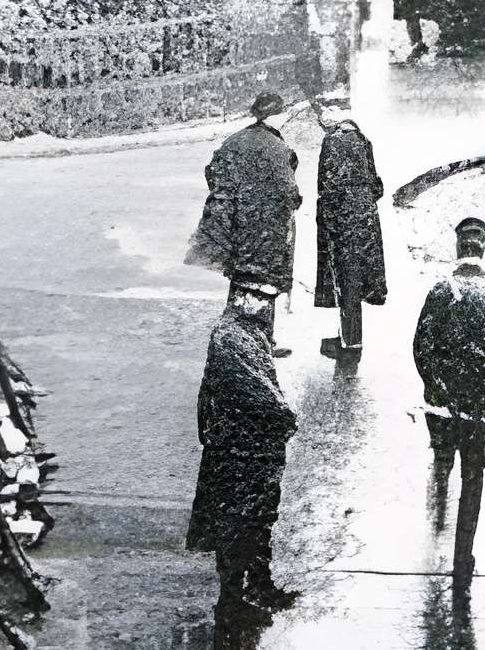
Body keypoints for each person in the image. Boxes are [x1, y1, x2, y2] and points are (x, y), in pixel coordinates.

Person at [412, 216, 485, 587]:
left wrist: (438, 389)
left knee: (445, 454)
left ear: (459, 250)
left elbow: (422, 348)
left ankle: (442, 461)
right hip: (481, 412)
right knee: (473, 479)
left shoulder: (441, 292)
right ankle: (462, 556)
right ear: (484, 250)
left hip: (444, 406)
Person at [188, 278, 302, 617]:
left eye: (270, 300)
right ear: (241, 297)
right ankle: (236, 594)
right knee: (241, 518)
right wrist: (285, 417)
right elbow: (258, 391)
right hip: (241, 447)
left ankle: (254, 584)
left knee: (258, 516)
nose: (268, 306)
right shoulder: (232, 336)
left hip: (251, 445)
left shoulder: (245, 331)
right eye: (261, 298)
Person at [187, 94, 303, 337]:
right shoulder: (277, 146)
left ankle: (238, 335)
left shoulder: (235, 140)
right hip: (266, 228)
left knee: (241, 279)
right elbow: (287, 189)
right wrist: (291, 201)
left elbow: (212, 172)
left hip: (236, 225)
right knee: (264, 284)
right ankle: (260, 340)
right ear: (276, 116)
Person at [311, 93, 387, 358]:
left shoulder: (332, 142)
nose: (322, 118)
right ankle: (349, 338)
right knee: (356, 281)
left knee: (346, 282)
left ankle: (350, 344)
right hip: (365, 223)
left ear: (336, 112)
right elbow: (377, 186)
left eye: (324, 112)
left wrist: (329, 221)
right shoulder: (362, 139)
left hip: (343, 223)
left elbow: (327, 187)